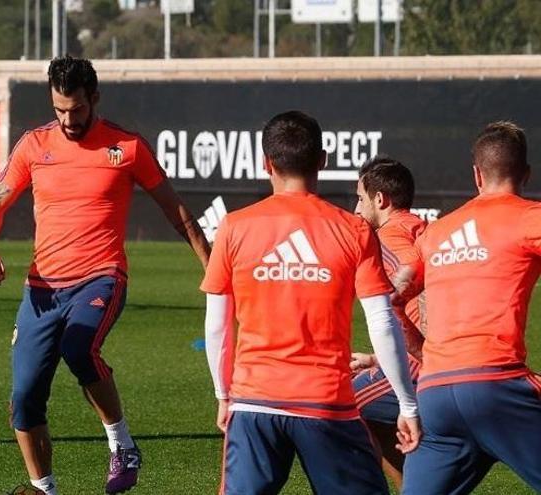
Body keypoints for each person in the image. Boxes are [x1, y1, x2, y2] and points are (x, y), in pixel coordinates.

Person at [0, 55, 210, 495]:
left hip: (101, 277)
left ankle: (122, 445)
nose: (67, 119)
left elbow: (175, 210)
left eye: (76, 109)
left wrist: (209, 264)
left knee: (79, 346)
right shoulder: (33, 145)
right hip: (42, 289)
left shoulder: (127, 147)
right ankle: (43, 488)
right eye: (59, 109)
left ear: (94, 99)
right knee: (24, 398)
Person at [202, 111, 420, 494]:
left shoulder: (234, 226)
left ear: (265, 163)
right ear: (323, 160)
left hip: (254, 402)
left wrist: (224, 395)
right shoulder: (353, 229)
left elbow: (218, 325)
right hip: (326, 404)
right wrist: (407, 404)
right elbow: (381, 322)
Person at [402, 121, 541, 494]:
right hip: (497, 388)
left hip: (435, 396)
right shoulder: (530, 217)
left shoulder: (436, 232)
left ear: (477, 175)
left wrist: (421, 352)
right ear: (526, 174)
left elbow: (391, 298)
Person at [350, 156, 426, 489]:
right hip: (447, 356)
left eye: (360, 198)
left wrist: (391, 292)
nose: (355, 208)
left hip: (431, 365)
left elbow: (408, 267)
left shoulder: (387, 237)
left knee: (340, 402)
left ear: (380, 200)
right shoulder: (422, 228)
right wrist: (376, 359)